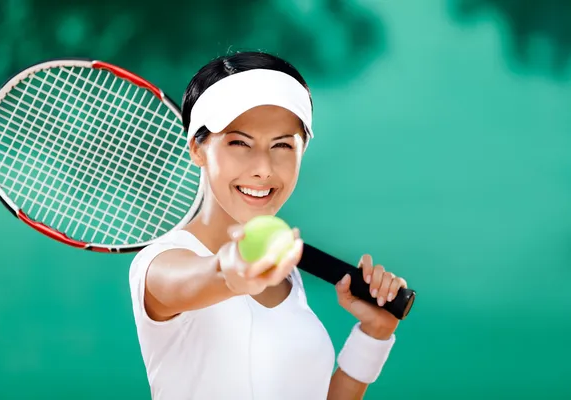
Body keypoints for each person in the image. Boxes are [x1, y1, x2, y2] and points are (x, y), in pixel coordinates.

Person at [128, 51, 409, 400]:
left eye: (282, 145)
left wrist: (374, 334)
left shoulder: (289, 275)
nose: (263, 167)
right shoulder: (159, 266)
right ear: (197, 149)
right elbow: (197, 279)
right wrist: (228, 271)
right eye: (239, 143)